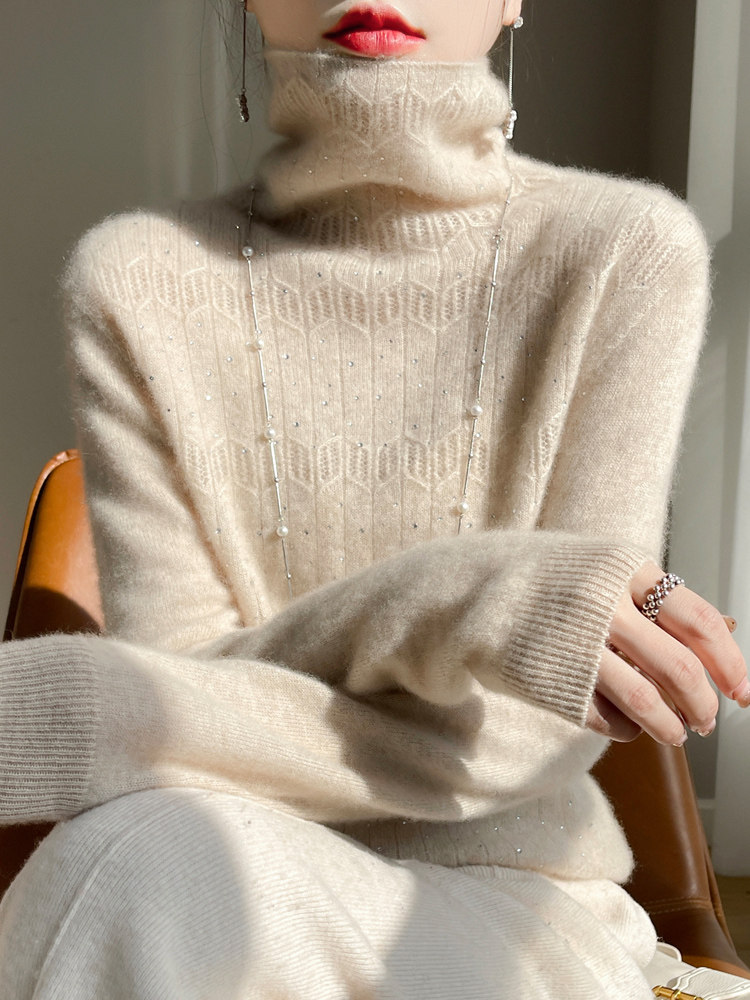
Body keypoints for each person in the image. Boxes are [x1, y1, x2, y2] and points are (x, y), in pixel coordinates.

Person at [0, 1, 748, 996]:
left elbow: (514, 742)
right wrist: (474, 602)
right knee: (154, 860)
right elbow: (179, 711)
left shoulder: (622, 250)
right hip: (202, 858)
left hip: (515, 901)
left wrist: (91, 714)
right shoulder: (135, 277)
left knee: (140, 872)